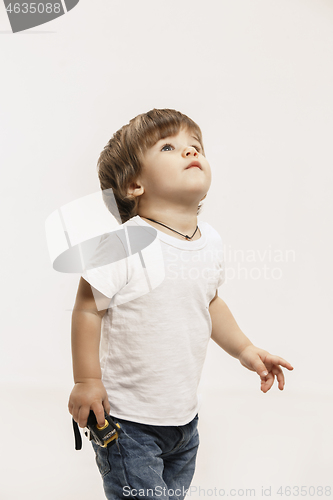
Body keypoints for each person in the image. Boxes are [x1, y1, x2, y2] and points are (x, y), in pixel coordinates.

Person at [68, 108, 294, 500]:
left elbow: (209, 302)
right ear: (133, 184)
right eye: (169, 146)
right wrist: (87, 381)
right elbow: (88, 308)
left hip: (184, 421)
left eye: (196, 145)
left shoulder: (211, 242)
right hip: (127, 422)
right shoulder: (123, 244)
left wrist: (245, 349)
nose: (191, 152)